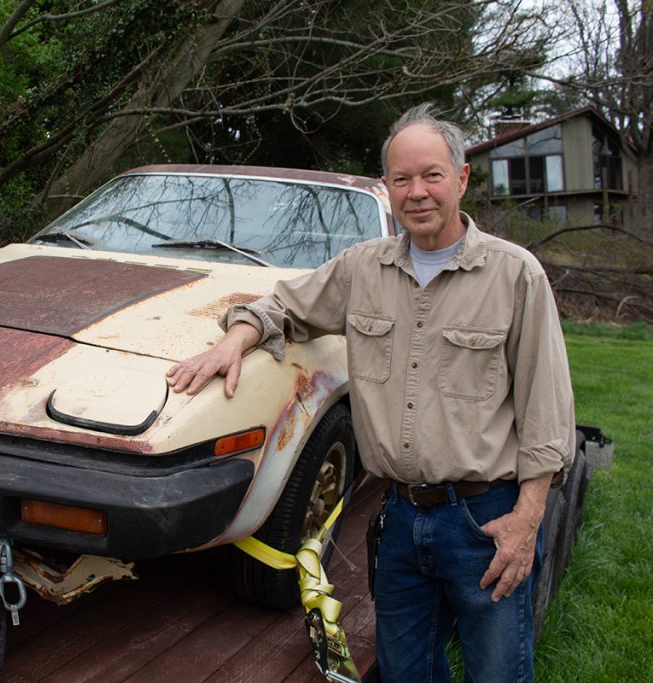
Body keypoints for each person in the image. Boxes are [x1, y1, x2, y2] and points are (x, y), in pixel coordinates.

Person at [166, 103, 575, 682]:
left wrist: (526, 522)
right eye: (402, 179)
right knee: (407, 673)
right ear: (387, 187)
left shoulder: (517, 276)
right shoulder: (362, 269)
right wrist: (236, 338)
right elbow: (281, 305)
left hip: (486, 521)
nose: (418, 192)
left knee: (499, 674)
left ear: (460, 178)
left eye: (432, 175)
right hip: (401, 519)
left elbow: (549, 415)